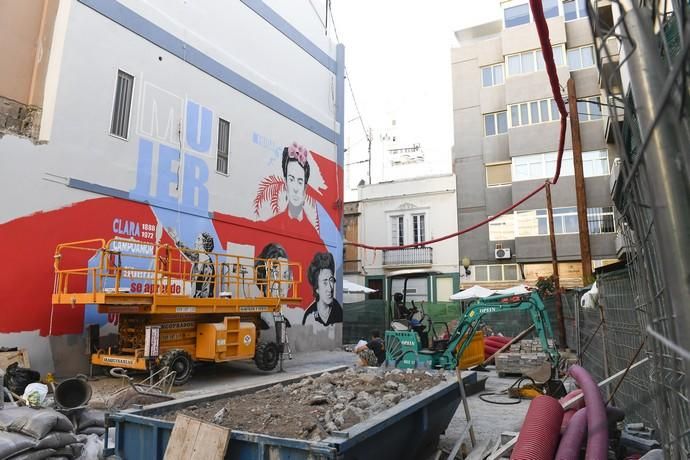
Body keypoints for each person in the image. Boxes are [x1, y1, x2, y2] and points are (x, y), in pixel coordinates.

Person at [302, 252, 343, 326]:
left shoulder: (338, 311)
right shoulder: (309, 316)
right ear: (316, 288)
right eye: (325, 282)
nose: (330, 288)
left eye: (331, 280)